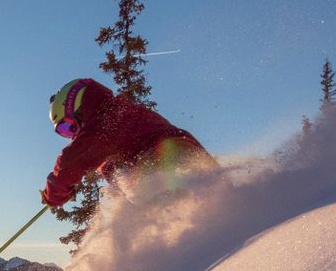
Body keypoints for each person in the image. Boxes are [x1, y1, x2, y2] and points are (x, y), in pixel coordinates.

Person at [41, 77, 214, 209]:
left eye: (67, 126)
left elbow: (71, 161)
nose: (72, 135)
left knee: (144, 204)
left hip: (167, 157)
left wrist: (54, 194)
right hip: (181, 154)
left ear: (76, 106)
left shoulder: (106, 120)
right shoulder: (116, 113)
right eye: (64, 132)